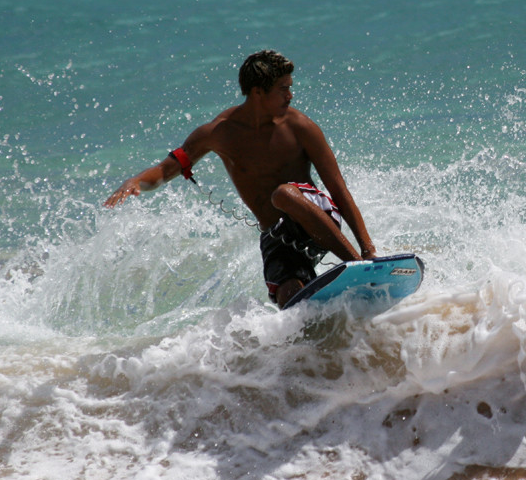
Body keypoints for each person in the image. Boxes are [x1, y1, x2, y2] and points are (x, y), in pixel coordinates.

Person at [104, 50, 377, 308]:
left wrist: (367, 251)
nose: (290, 96)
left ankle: (358, 269)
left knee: (283, 195)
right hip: (277, 235)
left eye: (290, 87)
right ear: (258, 92)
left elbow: (338, 190)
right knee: (290, 299)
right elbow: (166, 170)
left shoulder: (300, 128)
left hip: (318, 217)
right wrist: (136, 181)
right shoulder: (219, 133)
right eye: (283, 89)